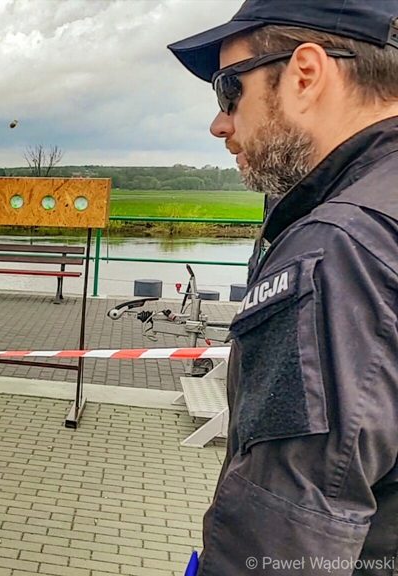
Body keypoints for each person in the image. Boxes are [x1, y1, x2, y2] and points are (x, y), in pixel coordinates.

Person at [168, 1, 398, 573]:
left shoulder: (339, 251)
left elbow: (284, 536)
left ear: (305, 74)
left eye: (229, 90)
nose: (220, 124)